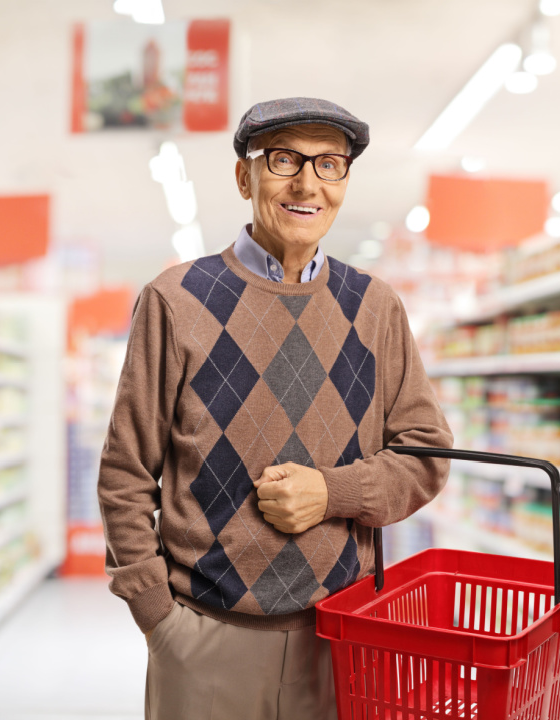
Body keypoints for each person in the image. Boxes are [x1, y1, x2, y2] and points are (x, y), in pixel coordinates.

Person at [97, 97, 453, 720]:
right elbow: (125, 474)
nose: (307, 183)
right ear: (245, 176)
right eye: (284, 159)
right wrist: (159, 619)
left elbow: (427, 456)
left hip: (343, 639)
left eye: (329, 164)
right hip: (204, 637)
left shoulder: (375, 308)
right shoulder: (176, 301)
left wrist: (333, 492)